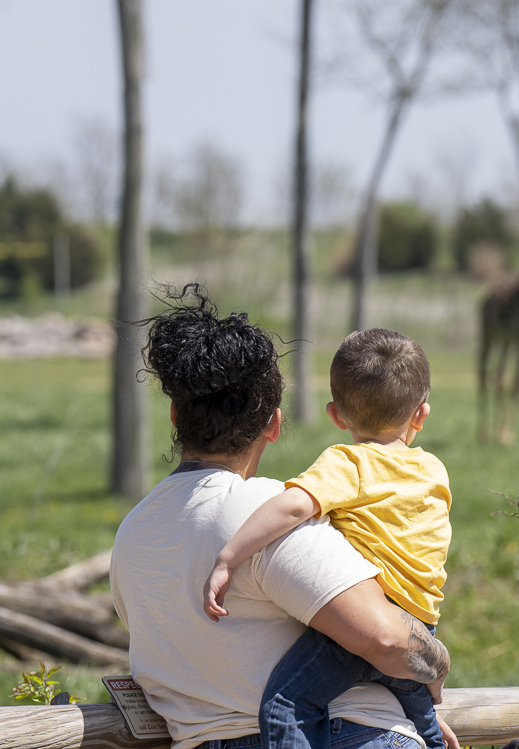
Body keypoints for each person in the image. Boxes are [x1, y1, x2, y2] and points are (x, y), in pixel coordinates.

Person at [109, 287, 456, 749]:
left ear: (175, 416)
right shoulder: (262, 512)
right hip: (343, 734)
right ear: (273, 423)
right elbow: (387, 639)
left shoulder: (132, 532)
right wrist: (437, 662)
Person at [203, 328, 450, 749]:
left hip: (361, 628)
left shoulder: (349, 462)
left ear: (336, 416)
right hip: (419, 627)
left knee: (285, 705)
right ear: (421, 414)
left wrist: (228, 557)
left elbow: (293, 507)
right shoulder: (433, 470)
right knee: (425, 723)